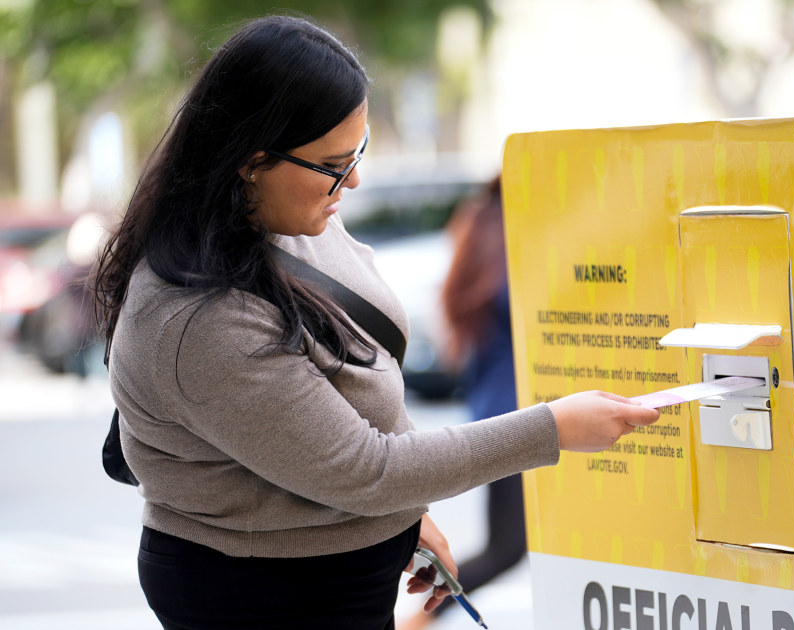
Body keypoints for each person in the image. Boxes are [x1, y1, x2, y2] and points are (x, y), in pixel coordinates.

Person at [89, 15, 659, 630]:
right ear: (251, 161)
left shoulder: (293, 218)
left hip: (340, 576)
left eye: (358, 151)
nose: (352, 180)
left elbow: (354, 411)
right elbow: (365, 469)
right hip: (259, 592)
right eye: (333, 162)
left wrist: (405, 518)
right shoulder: (197, 321)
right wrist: (553, 428)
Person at [398, 176, 521, 630]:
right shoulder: (515, 236)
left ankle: (417, 621)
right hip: (520, 415)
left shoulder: (482, 223)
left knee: (511, 544)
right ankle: (415, 623)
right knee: (508, 546)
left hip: (495, 408)